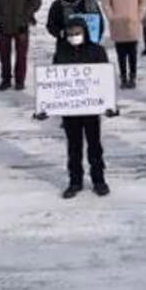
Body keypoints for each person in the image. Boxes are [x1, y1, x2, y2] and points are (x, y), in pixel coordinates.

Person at [34, 16, 112, 198]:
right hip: (70, 110)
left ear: (84, 32)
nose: (73, 36)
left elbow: (104, 80)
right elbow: (54, 83)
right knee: (73, 147)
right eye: (70, 34)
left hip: (91, 109)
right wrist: (46, 107)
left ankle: (99, 180)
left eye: (77, 33)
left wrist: (109, 105)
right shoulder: (61, 52)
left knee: (95, 146)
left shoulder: (97, 51)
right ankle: (75, 181)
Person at [102, 0, 146, 90]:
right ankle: (123, 76)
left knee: (132, 52)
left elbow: (143, 1)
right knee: (121, 53)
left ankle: (133, 75)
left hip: (132, 23)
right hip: (117, 24)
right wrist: (112, 17)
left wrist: (139, 16)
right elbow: (106, 3)